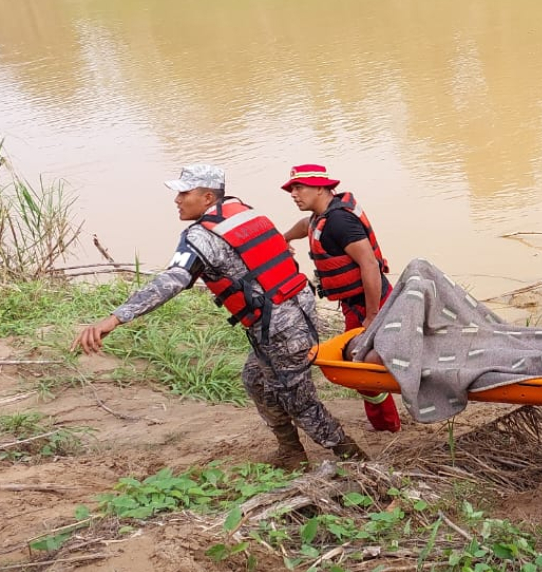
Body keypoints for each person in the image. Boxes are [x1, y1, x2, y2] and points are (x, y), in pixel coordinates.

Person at [73, 164, 369, 470]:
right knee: (255, 379)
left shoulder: (201, 237)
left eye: (184, 193)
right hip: (293, 313)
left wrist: (115, 319)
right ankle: (291, 452)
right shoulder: (242, 211)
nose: (177, 200)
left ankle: (356, 461)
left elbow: (172, 281)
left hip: (280, 328)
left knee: (301, 403)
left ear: (206, 197)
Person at [281, 164, 401, 434]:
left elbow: (369, 265)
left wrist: (371, 317)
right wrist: (284, 237)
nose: (294, 194)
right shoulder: (320, 216)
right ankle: (385, 424)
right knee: (364, 368)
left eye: (300, 187)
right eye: (292, 188)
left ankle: (388, 426)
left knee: (363, 368)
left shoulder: (339, 221)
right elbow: (306, 227)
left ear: (321, 188)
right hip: (355, 305)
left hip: (372, 304)